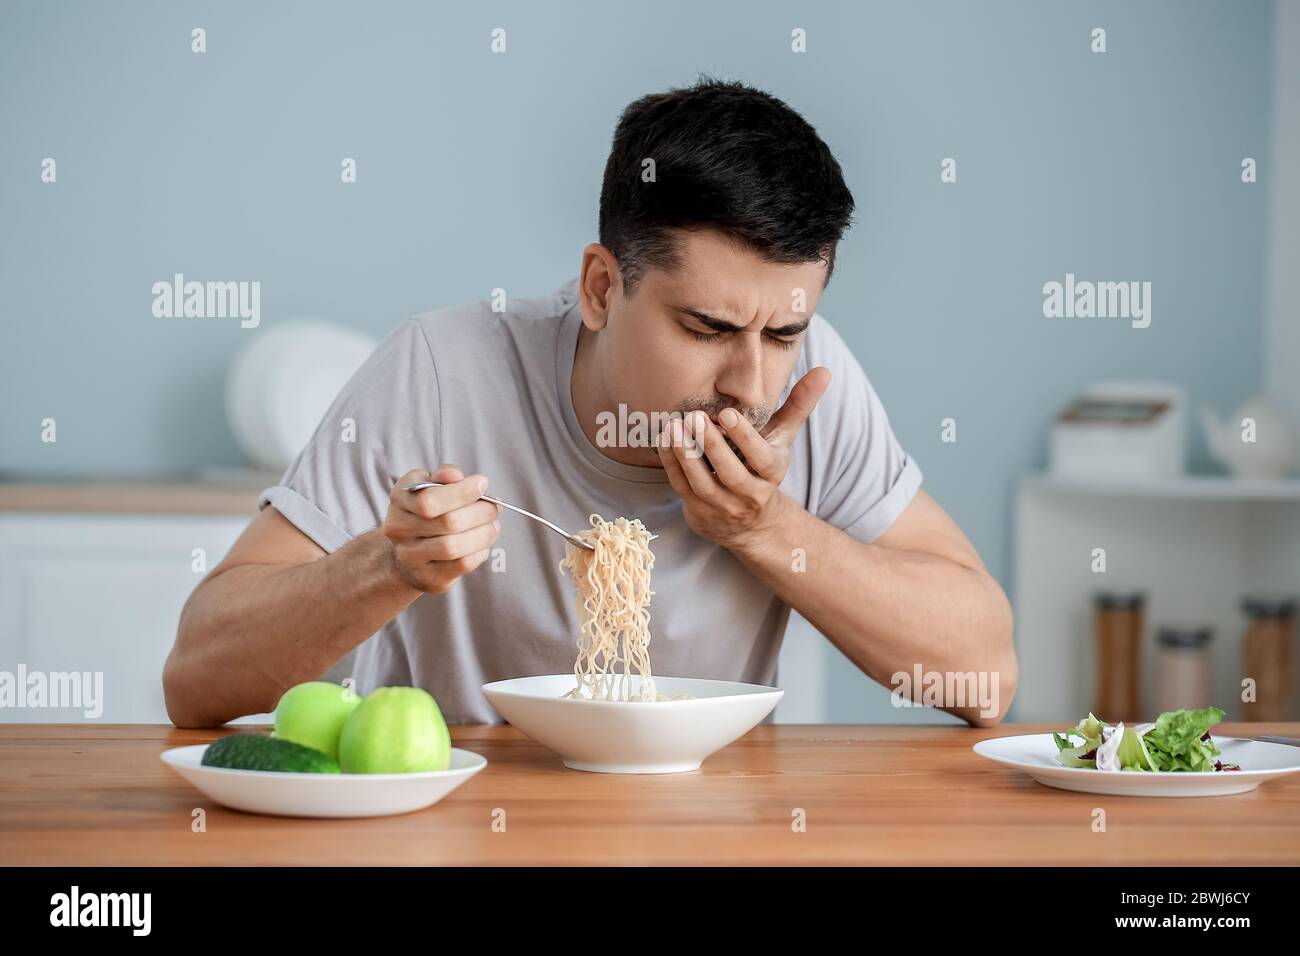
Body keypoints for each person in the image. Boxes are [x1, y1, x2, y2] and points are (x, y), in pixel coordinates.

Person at [164, 77, 1017, 728]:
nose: (751, 386)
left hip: (708, 829)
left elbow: (986, 672)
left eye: (784, 332)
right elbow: (196, 679)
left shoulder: (811, 382)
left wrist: (767, 530)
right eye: (707, 326)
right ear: (603, 288)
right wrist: (384, 568)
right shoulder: (442, 367)